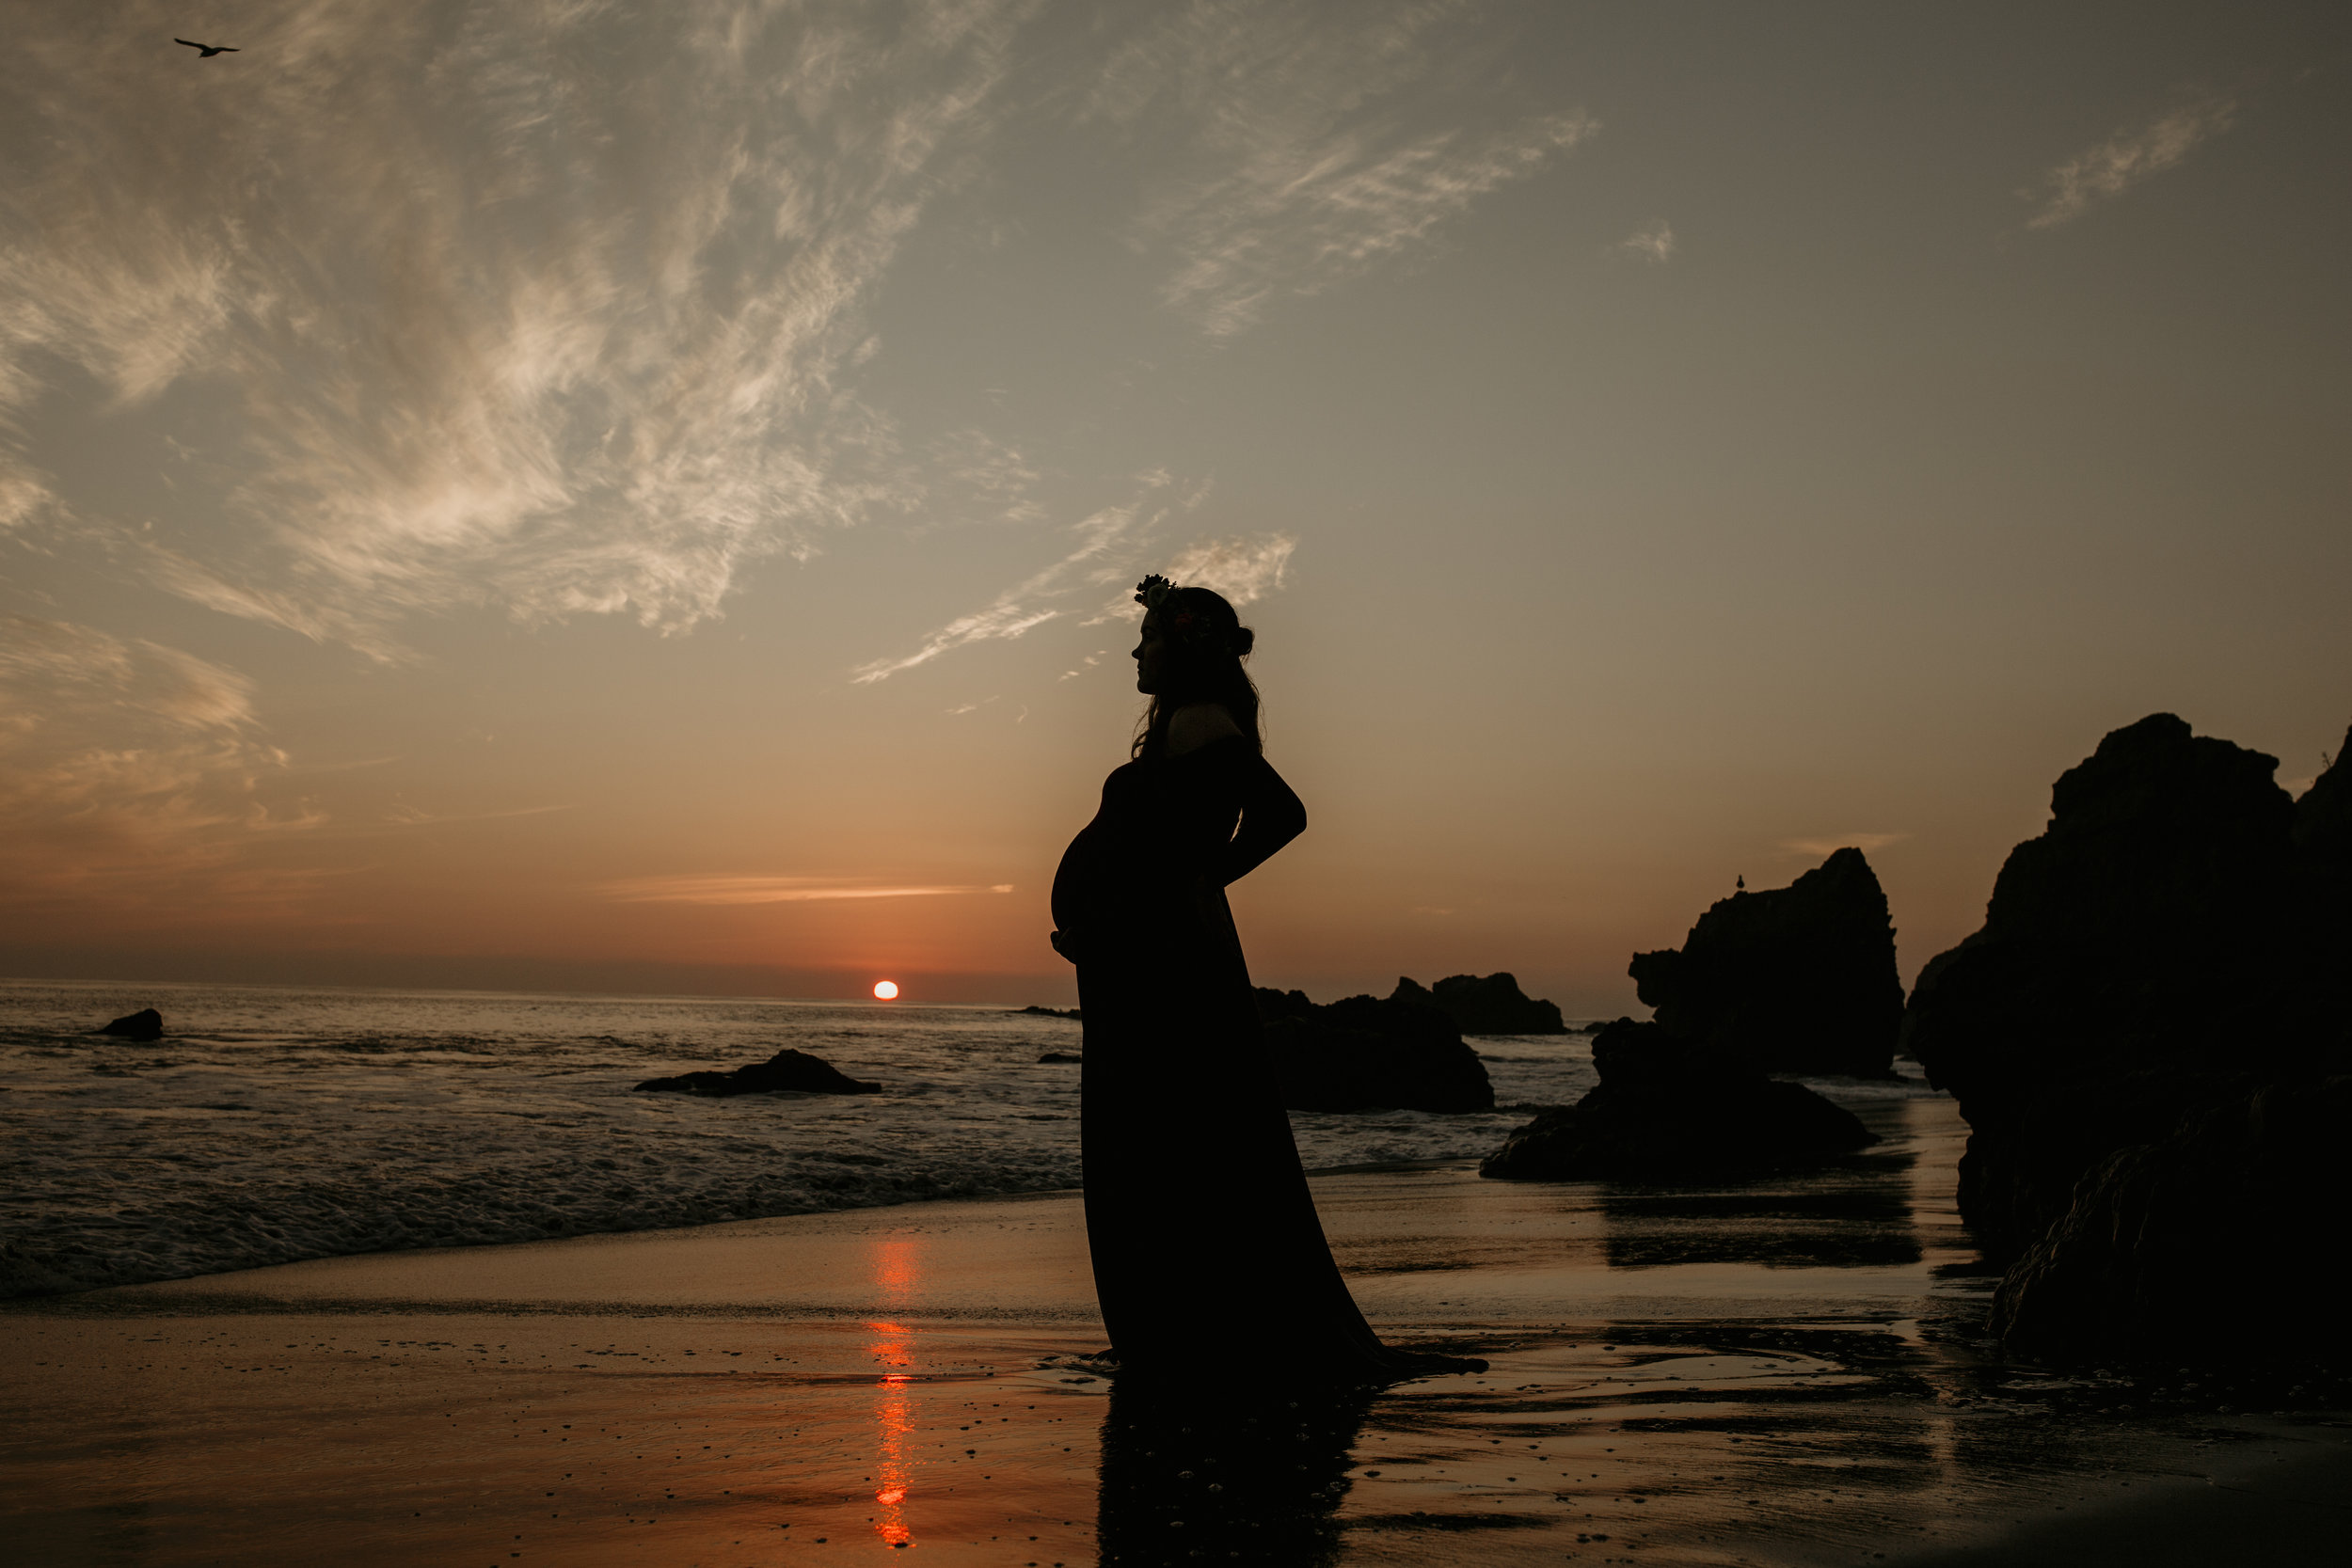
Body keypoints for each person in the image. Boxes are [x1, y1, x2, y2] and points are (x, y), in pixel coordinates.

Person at [1050, 574, 1484, 1379]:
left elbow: (1282, 813)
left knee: (1172, 1136)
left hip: (1166, 963)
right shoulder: (1183, 723)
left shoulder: (1201, 720)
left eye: (1147, 637)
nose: (1134, 650)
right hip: (1146, 954)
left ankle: (1197, 1337)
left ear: (1180, 646)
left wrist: (1190, 885)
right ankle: (1185, 1329)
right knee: (1165, 1136)